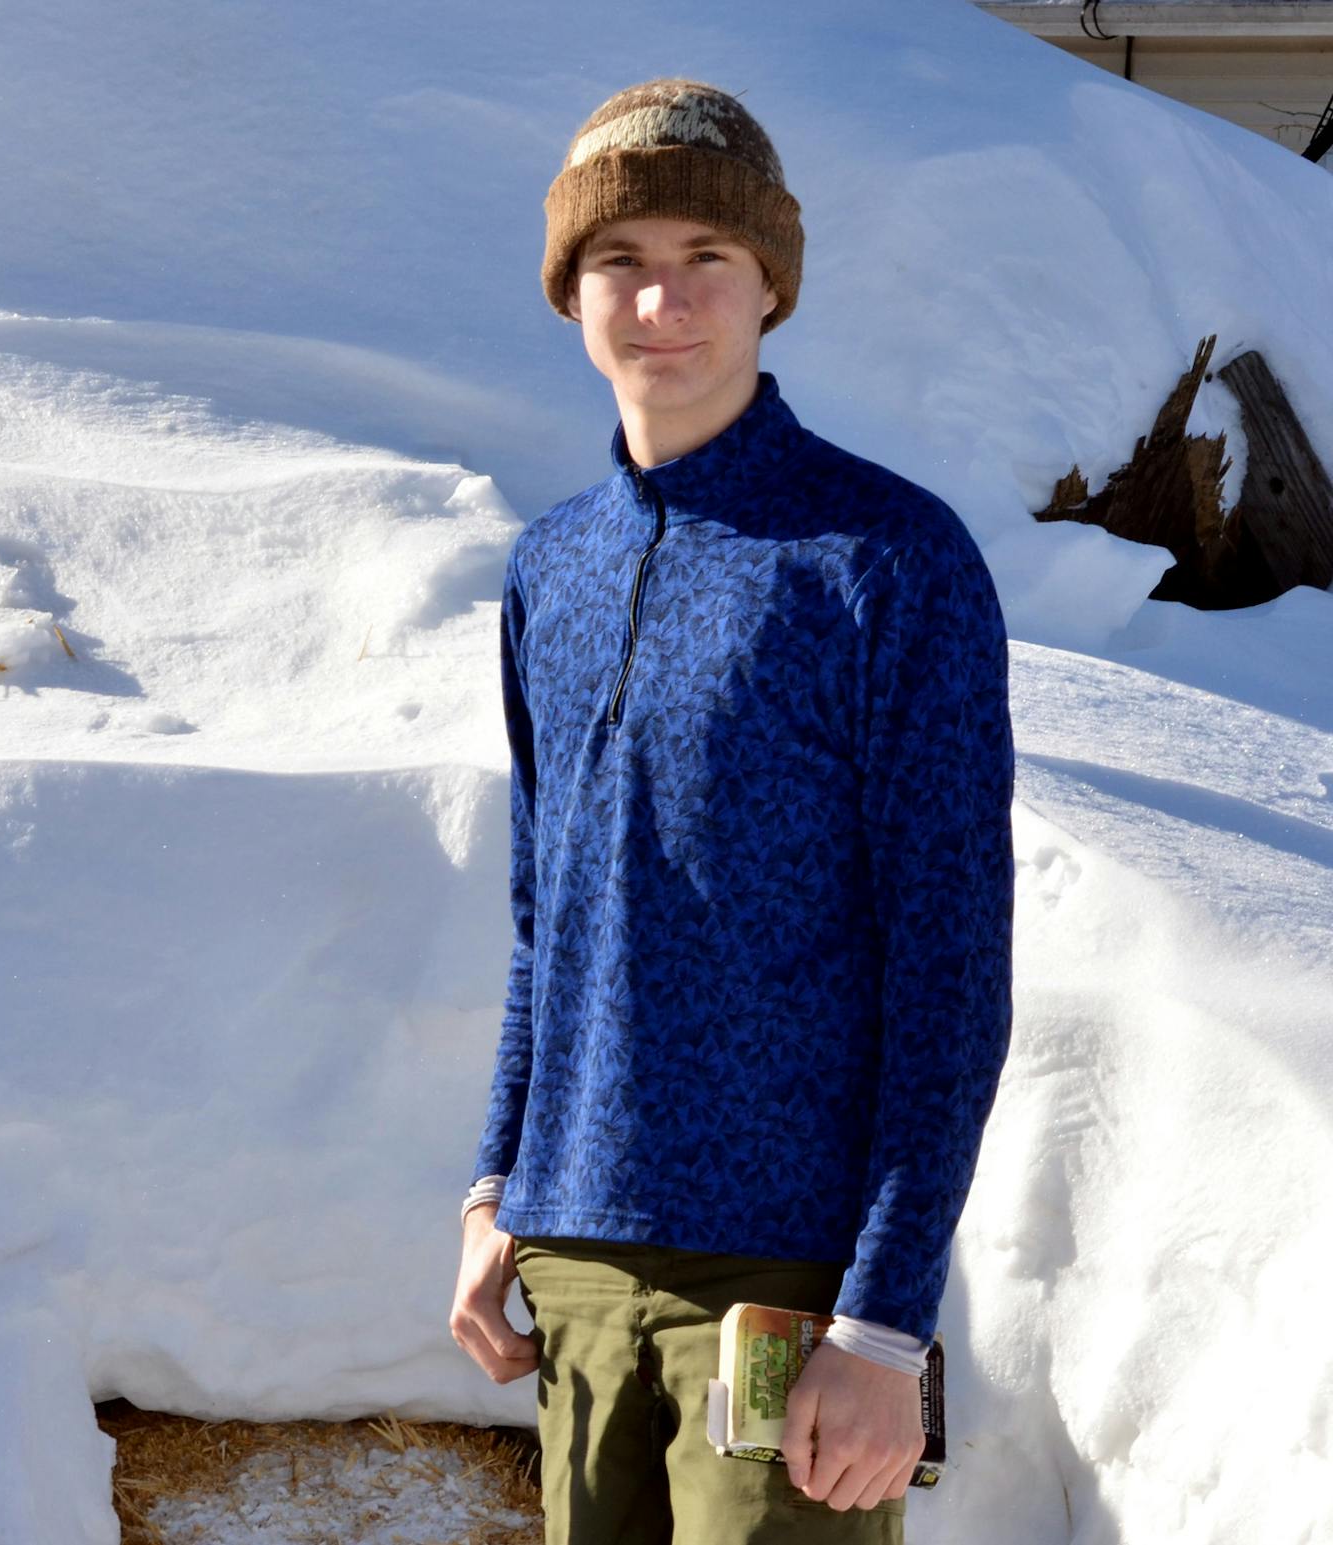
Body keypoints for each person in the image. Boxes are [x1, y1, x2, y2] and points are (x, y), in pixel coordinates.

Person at [449, 78, 1015, 1545]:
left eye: (708, 255)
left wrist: (885, 1321)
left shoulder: (887, 560)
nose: (664, 299)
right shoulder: (549, 570)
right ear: (571, 289)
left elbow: (952, 963)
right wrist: (497, 1179)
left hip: (784, 1283)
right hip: (573, 1262)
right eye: (622, 258)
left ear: (772, 284)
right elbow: (544, 916)